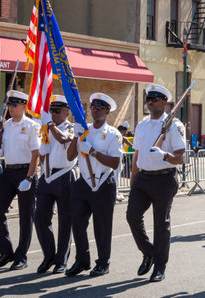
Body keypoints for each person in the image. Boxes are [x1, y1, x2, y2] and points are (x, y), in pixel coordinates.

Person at [126, 84, 186, 282]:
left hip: (164, 178)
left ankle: (160, 266)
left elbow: (181, 157)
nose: (150, 101)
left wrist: (165, 155)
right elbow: (137, 154)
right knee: (132, 216)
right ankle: (149, 252)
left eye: (155, 99)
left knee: (161, 224)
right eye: (148, 99)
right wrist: (134, 178)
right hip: (143, 178)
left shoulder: (174, 125)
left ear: (165, 102)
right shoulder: (142, 125)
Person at [66, 92, 122, 277]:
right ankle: (82, 260)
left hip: (104, 184)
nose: (95, 110)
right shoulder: (84, 130)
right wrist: (76, 136)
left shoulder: (113, 134)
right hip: (84, 183)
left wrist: (93, 152)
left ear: (107, 111)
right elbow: (70, 156)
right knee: (77, 222)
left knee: (102, 226)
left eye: (99, 107)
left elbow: (114, 163)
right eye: (93, 106)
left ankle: (103, 262)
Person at [0, 90, 41, 270]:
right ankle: (6, 252)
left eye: (15, 104)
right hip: (8, 171)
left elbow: (36, 154)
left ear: (24, 106)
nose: (11, 108)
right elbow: (0, 151)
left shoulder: (32, 126)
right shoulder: (7, 125)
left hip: (25, 171)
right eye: (10, 104)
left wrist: (29, 177)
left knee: (26, 216)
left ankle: (21, 255)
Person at [35, 95, 76, 274]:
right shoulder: (46, 129)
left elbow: (63, 140)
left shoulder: (72, 128)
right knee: (40, 216)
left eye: (57, 111)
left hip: (65, 175)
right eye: (52, 111)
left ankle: (62, 259)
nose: (54, 114)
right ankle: (49, 256)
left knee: (65, 219)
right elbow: (43, 152)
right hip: (47, 175)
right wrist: (42, 152)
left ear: (66, 112)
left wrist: (50, 125)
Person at [116, 121, 133, 202]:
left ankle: (115, 192)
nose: (126, 133)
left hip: (116, 159)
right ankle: (115, 193)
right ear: (122, 131)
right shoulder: (123, 138)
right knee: (115, 177)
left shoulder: (115, 136)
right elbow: (132, 146)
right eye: (125, 131)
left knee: (114, 176)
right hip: (117, 160)